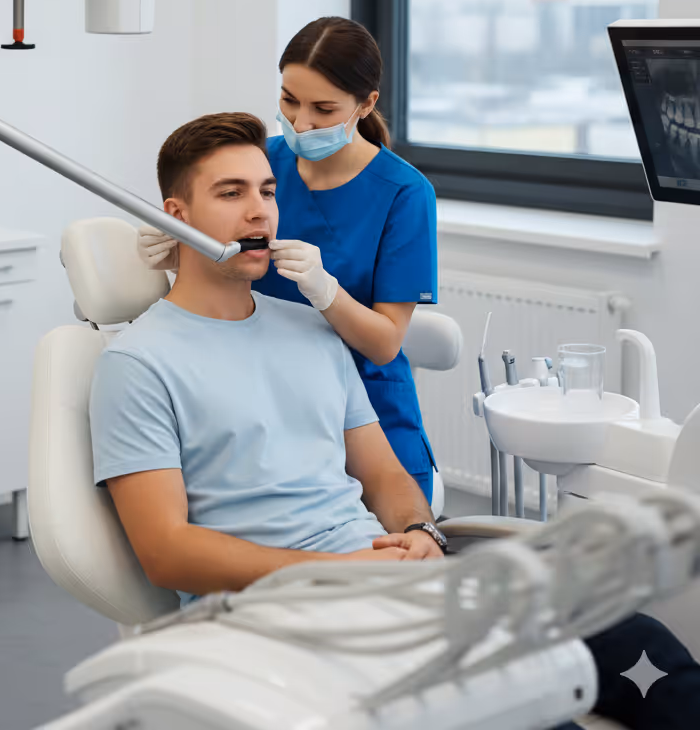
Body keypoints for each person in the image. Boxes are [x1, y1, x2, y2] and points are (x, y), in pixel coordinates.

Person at [101, 112, 700, 730]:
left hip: (386, 579)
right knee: (523, 705)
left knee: (632, 639)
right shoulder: (138, 362)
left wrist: (421, 533)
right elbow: (165, 552)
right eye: (231, 193)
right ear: (177, 215)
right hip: (285, 608)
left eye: (268, 191)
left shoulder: (312, 329)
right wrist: (340, 571)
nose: (259, 212)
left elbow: (384, 475)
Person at [139, 17, 440, 505]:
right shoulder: (262, 162)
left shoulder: (405, 194)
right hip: (266, 398)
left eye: (323, 109)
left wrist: (328, 293)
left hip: (366, 410)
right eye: (288, 100)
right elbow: (227, 278)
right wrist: (180, 249)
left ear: (366, 104)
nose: (301, 123)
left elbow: (385, 344)